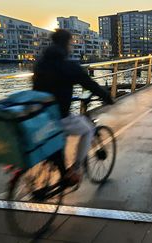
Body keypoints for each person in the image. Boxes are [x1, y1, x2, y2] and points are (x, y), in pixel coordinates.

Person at [32, 29, 113, 184]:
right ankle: (75, 169)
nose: (72, 47)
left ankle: (61, 170)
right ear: (66, 44)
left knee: (60, 137)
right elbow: (89, 84)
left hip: (39, 115)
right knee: (88, 129)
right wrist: (107, 97)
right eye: (71, 43)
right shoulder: (68, 66)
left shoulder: (40, 63)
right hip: (59, 116)